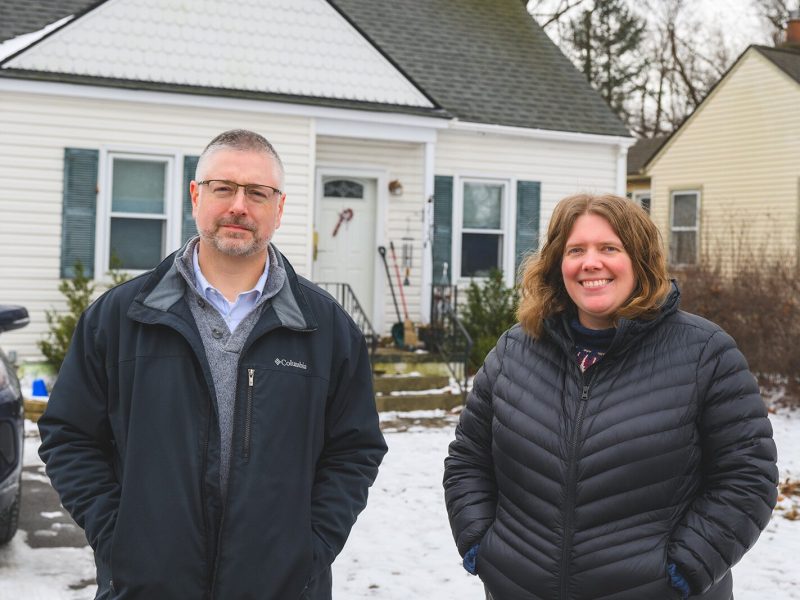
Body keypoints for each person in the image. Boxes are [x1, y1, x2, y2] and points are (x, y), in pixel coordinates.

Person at [38, 129, 387, 599]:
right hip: (147, 586)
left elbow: (355, 449)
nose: (239, 206)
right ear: (195, 196)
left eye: (257, 193)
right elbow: (70, 435)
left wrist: (309, 547)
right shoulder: (119, 317)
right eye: (223, 188)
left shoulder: (326, 329)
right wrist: (117, 535)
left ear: (279, 208)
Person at [443, 193, 778, 600]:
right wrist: (481, 545)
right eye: (575, 250)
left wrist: (684, 570)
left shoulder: (705, 352)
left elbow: (747, 476)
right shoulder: (516, 350)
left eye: (609, 248)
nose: (591, 263)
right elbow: (468, 460)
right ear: (556, 263)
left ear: (639, 259)